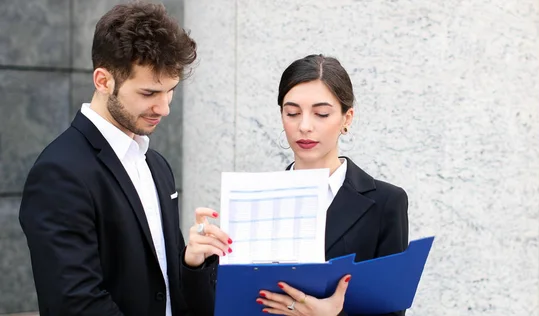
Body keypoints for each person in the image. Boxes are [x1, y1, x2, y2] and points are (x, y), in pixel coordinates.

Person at [18, 3, 231, 316]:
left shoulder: (156, 166)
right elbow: (76, 304)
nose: (164, 108)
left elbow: (165, 291)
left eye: (170, 91)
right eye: (149, 93)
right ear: (103, 81)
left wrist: (192, 263)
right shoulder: (58, 173)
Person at [257, 55, 409, 315]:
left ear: (346, 118)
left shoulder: (386, 203)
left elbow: (391, 311)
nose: (304, 126)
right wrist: (196, 263)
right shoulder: (256, 200)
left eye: (321, 114)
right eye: (292, 113)